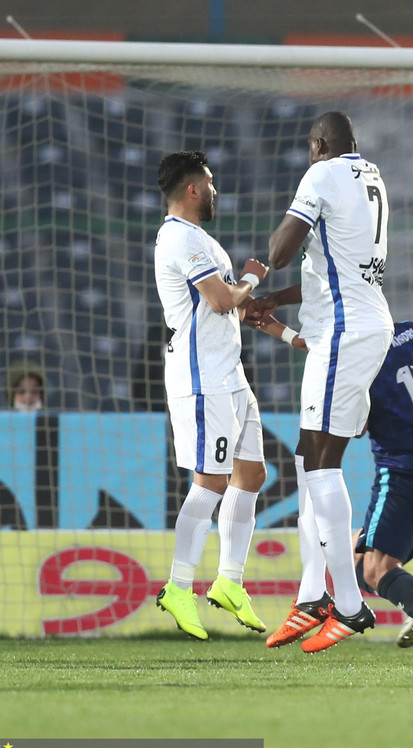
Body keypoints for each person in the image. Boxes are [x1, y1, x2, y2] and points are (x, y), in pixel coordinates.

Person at [248, 112, 394, 653]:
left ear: (317, 145)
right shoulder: (372, 175)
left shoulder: (322, 174)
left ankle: (349, 605)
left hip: (347, 333)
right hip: (359, 323)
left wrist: (258, 274)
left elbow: (284, 251)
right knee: (312, 460)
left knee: (317, 462)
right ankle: (312, 595)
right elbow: (330, 273)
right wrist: (277, 306)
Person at [152, 150, 270, 640]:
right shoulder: (178, 237)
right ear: (194, 188)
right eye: (211, 180)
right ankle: (179, 587)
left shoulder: (200, 239)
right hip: (202, 382)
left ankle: (229, 581)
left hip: (230, 376)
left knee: (253, 473)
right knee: (211, 483)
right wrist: (251, 277)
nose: (217, 189)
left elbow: (226, 310)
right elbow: (223, 298)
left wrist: (277, 326)